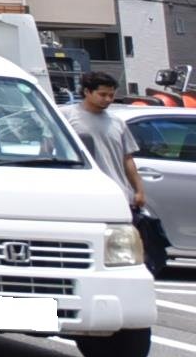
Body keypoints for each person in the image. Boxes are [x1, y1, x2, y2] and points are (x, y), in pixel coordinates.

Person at [64, 70, 163, 272]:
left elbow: (128, 159)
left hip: (118, 193)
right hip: (82, 192)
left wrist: (138, 190)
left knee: (117, 245)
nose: (108, 99)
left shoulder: (117, 122)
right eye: (102, 94)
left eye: (111, 95)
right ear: (87, 92)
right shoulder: (67, 117)